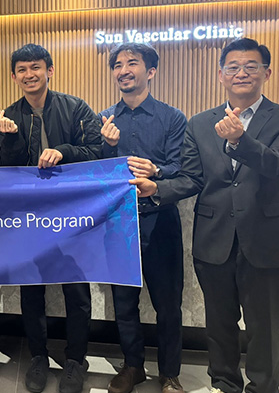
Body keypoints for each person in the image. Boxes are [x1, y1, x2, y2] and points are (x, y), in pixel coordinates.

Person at [132, 37, 279, 393]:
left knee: (264, 327)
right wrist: (157, 188)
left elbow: (277, 166)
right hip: (213, 241)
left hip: (264, 240)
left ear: (266, 73)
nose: (241, 73)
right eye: (233, 67)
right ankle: (224, 384)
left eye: (251, 67)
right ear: (221, 75)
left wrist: (241, 141)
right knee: (219, 325)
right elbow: (191, 177)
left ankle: (263, 387)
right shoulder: (200, 123)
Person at [0, 44, 102, 393]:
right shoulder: (10, 115)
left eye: (36, 67)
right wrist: (9, 137)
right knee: (31, 289)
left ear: (49, 70)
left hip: (73, 214)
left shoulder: (76, 107)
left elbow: (96, 152)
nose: (29, 74)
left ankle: (75, 360)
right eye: (22, 69)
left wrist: (63, 152)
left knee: (77, 290)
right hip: (30, 217)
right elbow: (6, 170)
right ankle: (38, 356)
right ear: (14, 76)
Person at [99, 43, 186, 393]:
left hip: (160, 220)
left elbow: (182, 168)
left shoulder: (172, 118)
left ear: (150, 71)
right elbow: (96, 174)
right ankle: (132, 366)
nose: (123, 70)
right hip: (119, 223)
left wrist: (157, 170)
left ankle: (170, 373)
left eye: (132, 63)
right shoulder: (104, 119)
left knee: (168, 304)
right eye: (117, 65)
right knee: (124, 302)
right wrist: (106, 147)